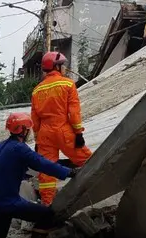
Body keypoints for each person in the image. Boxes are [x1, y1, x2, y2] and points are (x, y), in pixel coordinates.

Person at [0, 113, 79, 238]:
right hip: (8, 203)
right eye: (28, 129)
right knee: (46, 215)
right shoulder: (20, 148)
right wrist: (68, 172)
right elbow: (42, 163)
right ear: (23, 130)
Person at [31, 51, 92, 206]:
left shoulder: (37, 90)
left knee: (46, 171)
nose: (64, 68)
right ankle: (93, 191)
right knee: (87, 160)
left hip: (44, 134)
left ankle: (47, 205)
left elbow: (35, 119)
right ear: (56, 66)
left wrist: (38, 139)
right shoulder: (67, 84)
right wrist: (78, 133)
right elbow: (73, 112)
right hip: (63, 130)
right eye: (62, 65)